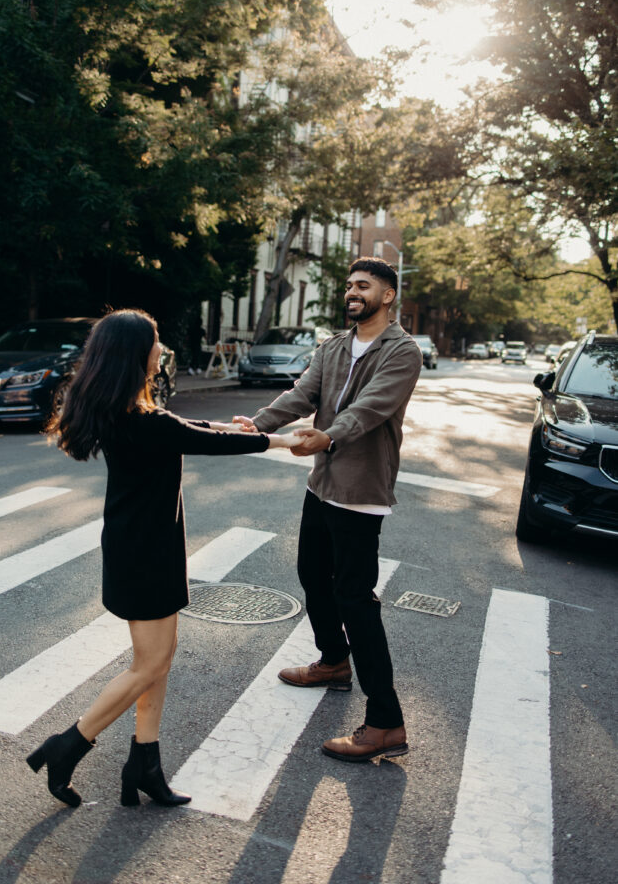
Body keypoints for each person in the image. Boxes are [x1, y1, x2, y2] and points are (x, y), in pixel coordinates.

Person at [28, 308, 299, 809]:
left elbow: (192, 425)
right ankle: (67, 746)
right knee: (149, 663)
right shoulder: (142, 420)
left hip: (145, 548)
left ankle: (145, 763)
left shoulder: (128, 411)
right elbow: (196, 437)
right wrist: (278, 439)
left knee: (157, 661)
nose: (162, 351)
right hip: (145, 555)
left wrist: (242, 428)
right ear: (138, 355)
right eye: (156, 342)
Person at [233, 258, 422, 762]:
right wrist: (254, 425)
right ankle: (334, 662)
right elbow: (302, 395)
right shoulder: (335, 346)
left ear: (388, 295)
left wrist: (328, 435)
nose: (353, 293)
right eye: (349, 286)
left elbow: (372, 407)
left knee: (355, 597)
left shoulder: (402, 351)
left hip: (360, 490)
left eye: (364, 286)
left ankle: (386, 721)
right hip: (323, 483)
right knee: (312, 573)